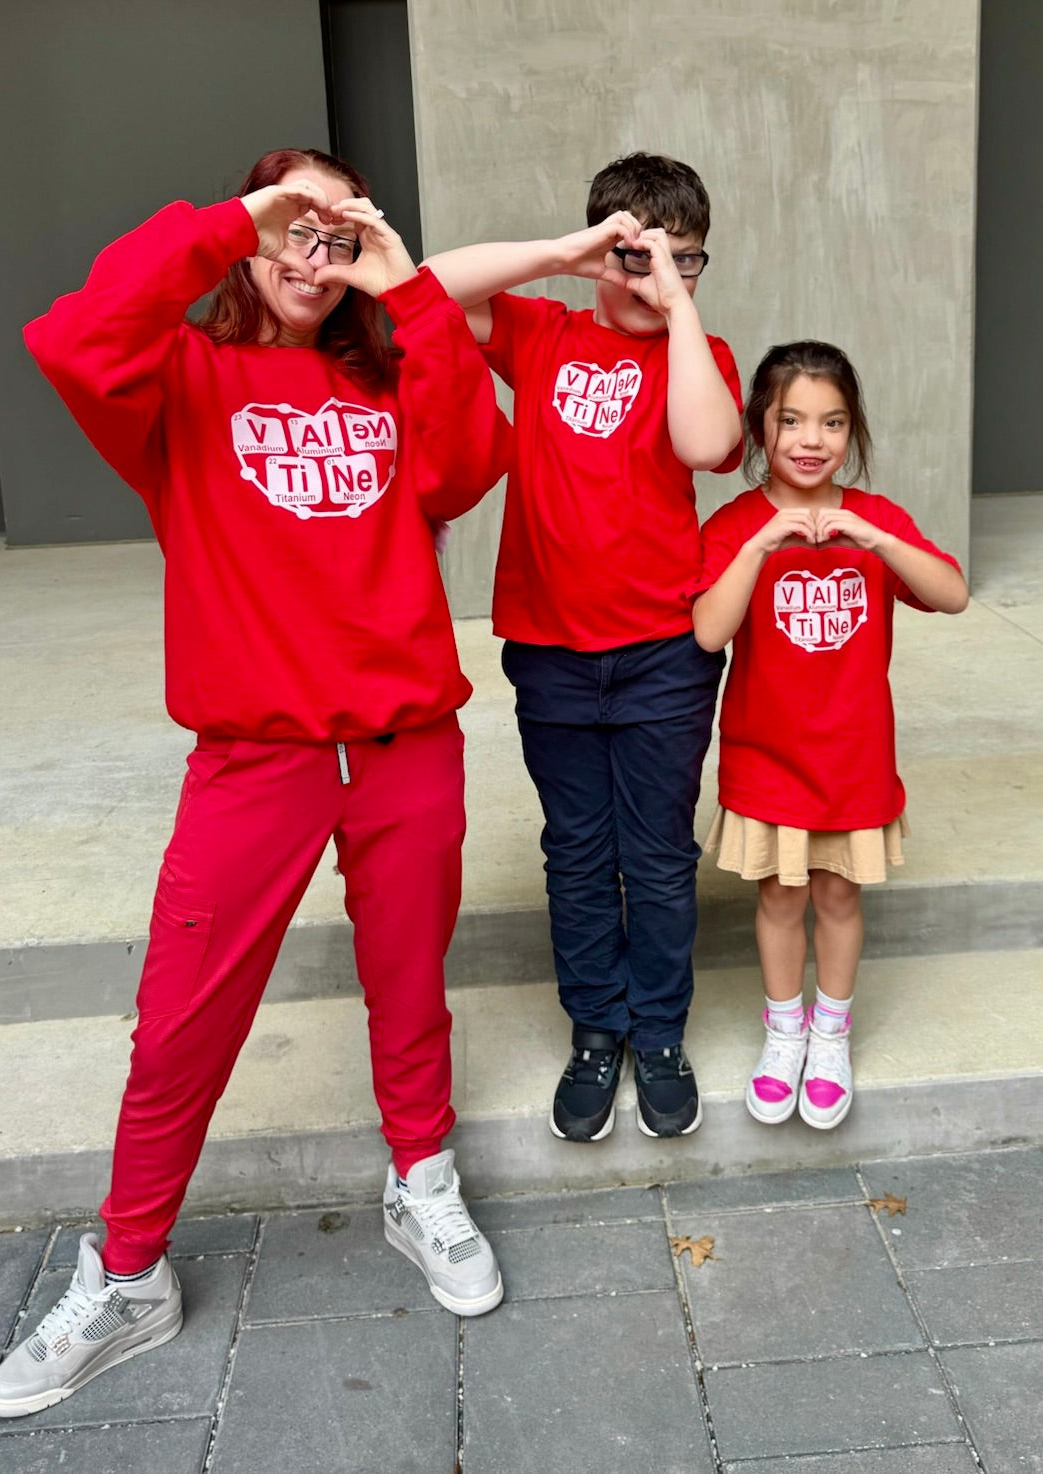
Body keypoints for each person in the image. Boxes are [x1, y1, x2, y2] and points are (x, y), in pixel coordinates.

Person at [0, 147, 511, 1420]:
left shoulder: (386, 381)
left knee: (406, 983)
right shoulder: (179, 378)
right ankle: (125, 1272)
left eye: (337, 233)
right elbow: (70, 337)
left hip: (402, 749)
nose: (310, 255)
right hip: (254, 756)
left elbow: (472, 460)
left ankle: (419, 1179)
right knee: (178, 1025)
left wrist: (411, 291)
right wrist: (231, 226)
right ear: (254, 227)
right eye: (295, 224)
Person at [425, 153, 742, 1142]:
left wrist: (674, 303)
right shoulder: (541, 331)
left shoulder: (702, 351)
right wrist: (568, 256)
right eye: (635, 253)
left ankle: (656, 1031)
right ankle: (595, 1027)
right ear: (599, 252)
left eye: (682, 258)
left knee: (652, 852)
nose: (656, 275)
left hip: (661, 652)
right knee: (575, 848)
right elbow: (420, 289)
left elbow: (704, 444)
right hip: (552, 647)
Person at [692, 341, 968, 1130]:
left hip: (852, 757)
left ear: (853, 432)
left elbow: (951, 594)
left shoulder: (874, 521)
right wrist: (761, 545)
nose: (812, 440)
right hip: (769, 756)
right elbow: (710, 632)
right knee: (781, 895)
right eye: (792, 421)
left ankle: (831, 1032)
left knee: (839, 893)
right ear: (760, 430)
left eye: (833, 422)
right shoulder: (737, 524)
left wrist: (874, 539)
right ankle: (784, 1034)